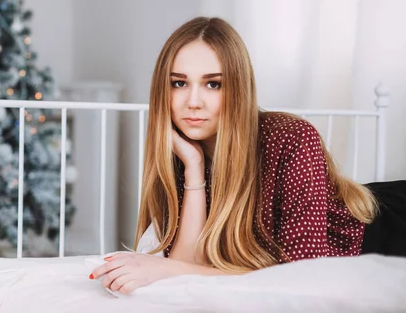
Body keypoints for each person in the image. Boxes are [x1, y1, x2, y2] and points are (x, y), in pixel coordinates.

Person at [89, 16, 406, 295]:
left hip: (388, 230)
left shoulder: (291, 138)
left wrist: (164, 270)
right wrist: (195, 168)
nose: (194, 101)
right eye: (179, 83)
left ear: (238, 88)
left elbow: (307, 276)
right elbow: (183, 273)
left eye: (213, 84)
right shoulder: (183, 153)